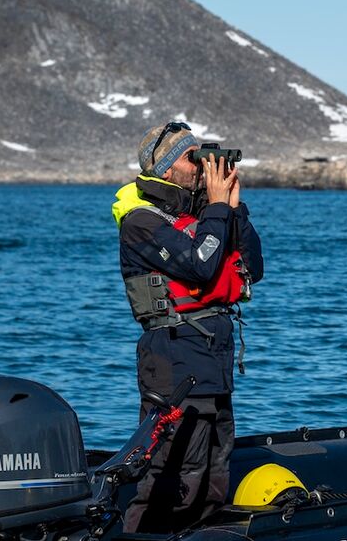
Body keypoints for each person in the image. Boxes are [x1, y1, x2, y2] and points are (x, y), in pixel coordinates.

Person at [111, 121, 264, 533]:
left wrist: (234, 208)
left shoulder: (204, 215)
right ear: (163, 170)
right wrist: (216, 209)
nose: (199, 165)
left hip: (213, 355)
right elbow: (198, 264)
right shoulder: (141, 223)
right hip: (173, 356)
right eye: (189, 157)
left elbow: (254, 269)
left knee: (215, 471)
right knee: (174, 471)